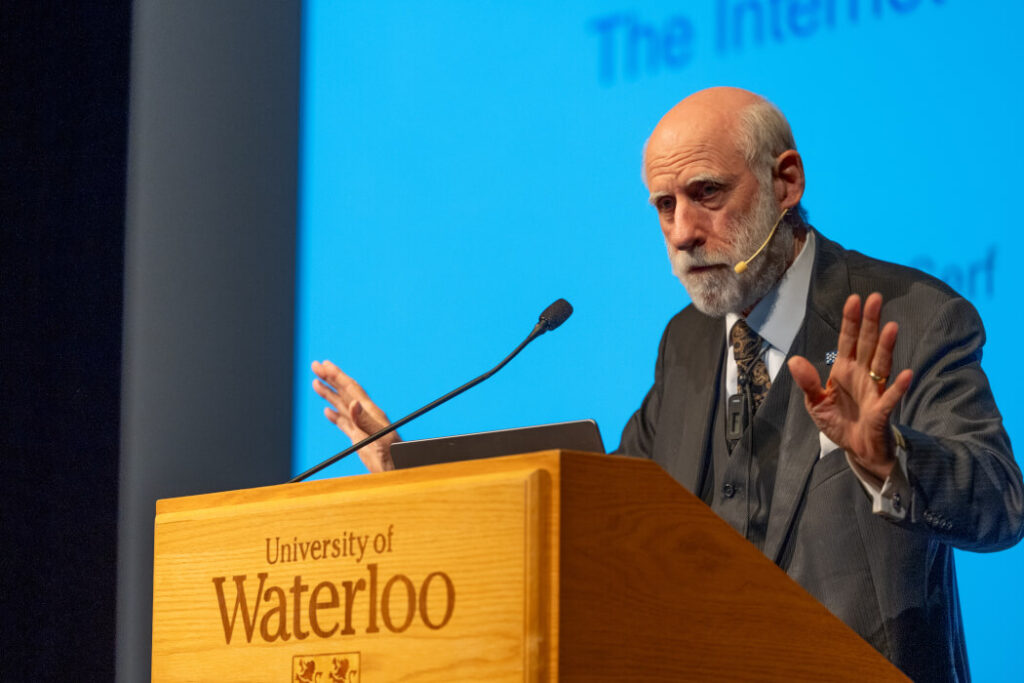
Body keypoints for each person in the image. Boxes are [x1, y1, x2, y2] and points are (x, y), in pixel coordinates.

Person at [311, 87, 1024, 681]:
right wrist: (416, 475)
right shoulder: (685, 345)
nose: (682, 230)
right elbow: (603, 522)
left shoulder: (912, 316)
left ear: (786, 182)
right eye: (663, 205)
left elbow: (1001, 501)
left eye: (705, 193)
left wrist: (887, 457)